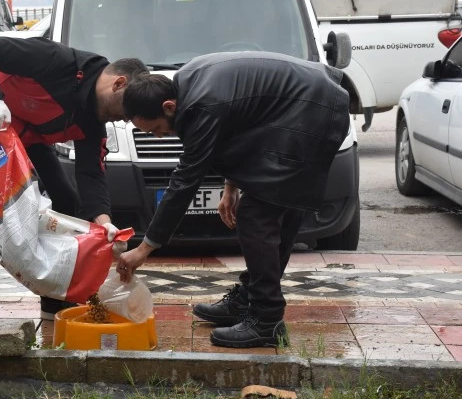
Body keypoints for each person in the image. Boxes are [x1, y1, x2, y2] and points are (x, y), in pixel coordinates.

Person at [116, 51, 350, 348]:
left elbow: (185, 181)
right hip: (299, 107)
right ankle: (250, 299)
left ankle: (266, 320)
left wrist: (144, 249)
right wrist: (231, 186)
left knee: (258, 215)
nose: (162, 137)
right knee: (274, 209)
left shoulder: (201, 106)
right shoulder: (188, 85)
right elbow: (241, 128)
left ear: (169, 106)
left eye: (159, 130)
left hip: (314, 110)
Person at [0, 35, 149, 319]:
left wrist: (105, 223)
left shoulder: (94, 119)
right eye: (125, 113)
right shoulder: (56, 61)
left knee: (66, 198)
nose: (123, 121)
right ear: (118, 84)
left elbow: (91, 173)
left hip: (21, 137)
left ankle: (55, 296)